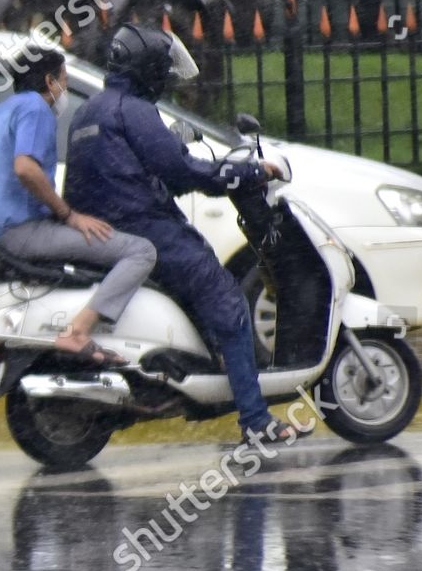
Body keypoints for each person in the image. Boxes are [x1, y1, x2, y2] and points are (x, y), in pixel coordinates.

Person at [62, 24, 306, 444]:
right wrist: (246, 172)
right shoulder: (134, 110)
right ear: (149, 70)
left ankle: (217, 371)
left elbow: (134, 172)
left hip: (102, 232)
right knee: (228, 300)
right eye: (164, 70)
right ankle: (256, 420)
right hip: (145, 227)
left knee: (202, 288)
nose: (169, 78)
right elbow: (185, 171)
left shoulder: (89, 112)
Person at [0, 42, 156, 364]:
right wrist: (68, 215)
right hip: (21, 233)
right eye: (63, 79)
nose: (64, 87)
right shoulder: (36, 108)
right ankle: (78, 332)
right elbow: (25, 168)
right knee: (140, 251)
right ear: (50, 82)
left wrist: (1, 204)